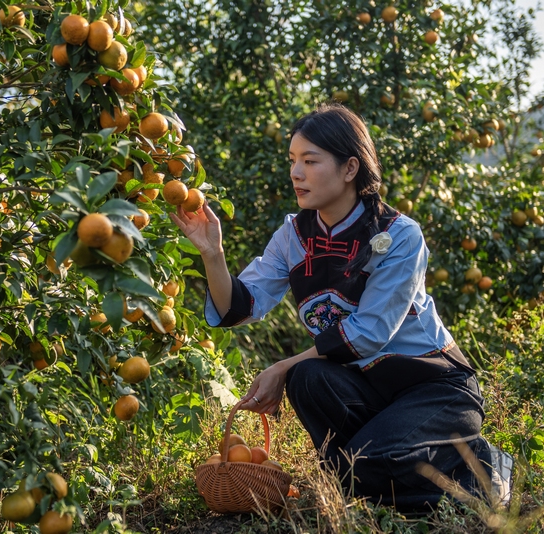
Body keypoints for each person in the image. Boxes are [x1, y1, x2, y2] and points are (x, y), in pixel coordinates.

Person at [170, 103, 512, 512]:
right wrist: (213, 253)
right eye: (293, 161)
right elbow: (240, 307)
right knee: (311, 381)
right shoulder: (293, 234)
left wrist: (281, 365)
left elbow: (369, 333)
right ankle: (376, 476)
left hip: (433, 389)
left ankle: (483, 470)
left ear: (350, 168)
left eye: (310, 161)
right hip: (367, 389)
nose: (297, 173)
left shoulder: (398, 235)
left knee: (356, 465)